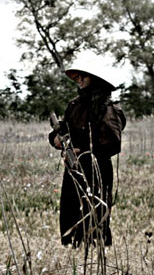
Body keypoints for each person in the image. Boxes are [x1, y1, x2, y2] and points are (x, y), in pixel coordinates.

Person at [49, 64, 126, 248]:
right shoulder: (74, 105)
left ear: (96, 79)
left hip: (97, 170)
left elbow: (112, 143)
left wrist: (83, 151)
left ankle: (97, 252)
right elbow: (65, 129)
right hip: (73, 169)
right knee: (70, 213)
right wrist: (56, 140)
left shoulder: (109, 109)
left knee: (96, 213)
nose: (80, 80)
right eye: (78, 77)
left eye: (84, 76)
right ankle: (72, 250)